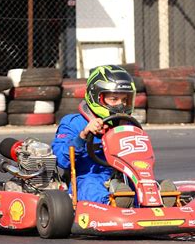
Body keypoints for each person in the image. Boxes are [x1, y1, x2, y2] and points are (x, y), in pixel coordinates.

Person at [52, 65, 136, 205]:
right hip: (88, 177)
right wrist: (83, 135)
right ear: (97, 97)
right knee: (90, 186)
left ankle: (158, 200)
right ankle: (111, 203)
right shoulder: (73, 123)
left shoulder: (128, 125)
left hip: (123, 177)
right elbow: (61, 159)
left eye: (124, 100)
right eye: (114, 99)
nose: (120, 106)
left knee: (142, 184)